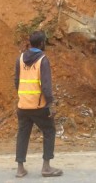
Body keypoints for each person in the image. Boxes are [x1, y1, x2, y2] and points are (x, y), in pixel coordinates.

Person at [14, 31, 63, 178]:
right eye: (45, 42)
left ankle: (20, 169)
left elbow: (16, 81)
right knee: (49, 131)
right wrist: (50, 104)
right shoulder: (43, 60)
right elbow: (46, 86)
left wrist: (23, 96)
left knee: (22, 134)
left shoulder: (20, 58)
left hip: (22, 105)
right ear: (41, 43)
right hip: (39, 106)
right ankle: (46, 167)